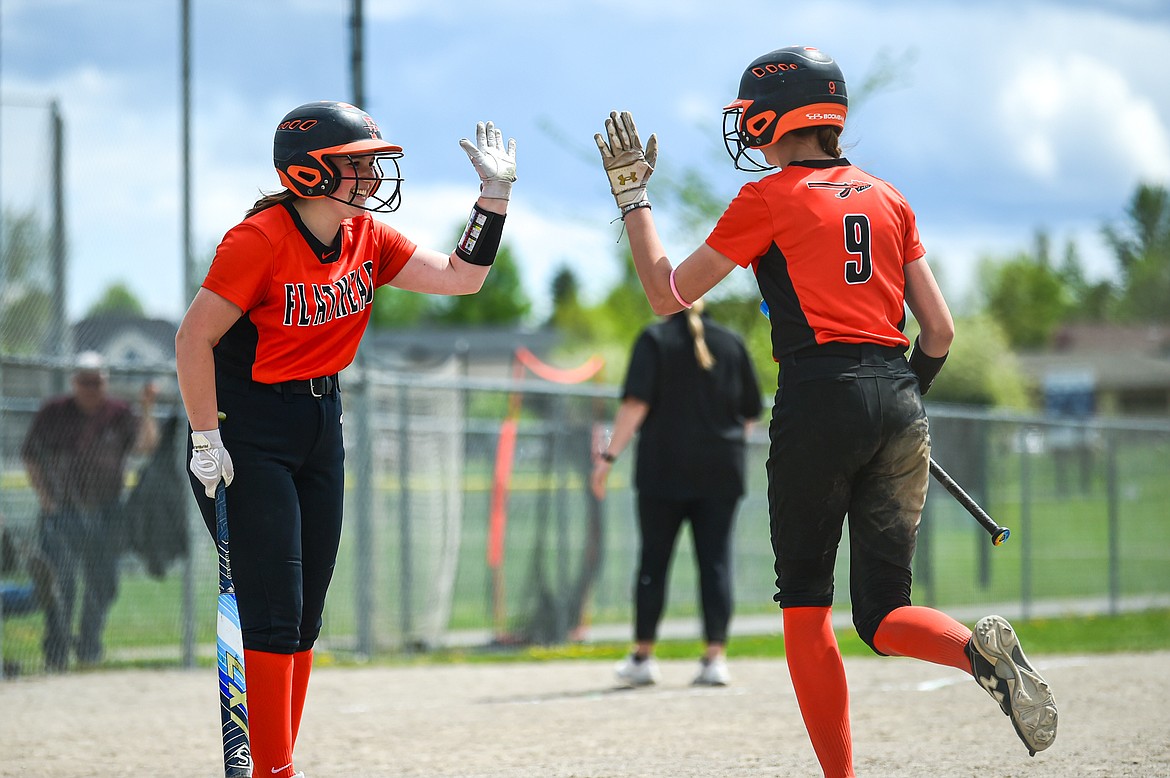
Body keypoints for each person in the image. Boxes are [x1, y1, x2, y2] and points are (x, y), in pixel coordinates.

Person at [592, 46, 1057, 775]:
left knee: (807, 608)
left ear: (778, 114)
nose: (744, 122)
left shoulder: (769, 198)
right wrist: (899, 406)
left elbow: (666, 294)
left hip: (817, 397)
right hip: (898, 395)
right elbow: (938, 331)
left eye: (750, 108)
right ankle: (974, 651)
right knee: (882, 612)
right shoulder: (889, 196)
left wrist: (632, 199)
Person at [175, 101, 515, 778]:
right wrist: (206, 437)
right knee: (273, 614)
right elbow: (193, 338)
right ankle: (277, 771)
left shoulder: (367, 235)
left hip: (320, 423)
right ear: (307, 172)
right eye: (354, 164)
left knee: (303, 618)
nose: (369, 176)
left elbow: (462, 278)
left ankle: (276, 761)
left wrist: (493, 198)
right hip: (248, 431)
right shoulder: (259, 239)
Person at [591, 299, 761, 687]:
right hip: (721, 472)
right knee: (716, 563)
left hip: (663, 470)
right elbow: (750, 411)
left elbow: (636, 403)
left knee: (654, 561)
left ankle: (643, 657)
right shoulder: (732, 343)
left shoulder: (655, 339)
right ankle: (714, 659)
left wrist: (607, 456)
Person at [21, 351, 159, 670]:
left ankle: (88, 648)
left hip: (107, 511)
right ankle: (56, 652)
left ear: (105, 382)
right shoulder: (54, 413)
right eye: (85, 382)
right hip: (63, 511)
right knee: (59, 582)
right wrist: (45, 498)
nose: (91, 389)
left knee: (103, 582)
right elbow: (30, 455)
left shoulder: (118, 413)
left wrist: (147, 407)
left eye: (97, 382)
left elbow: (145, 445)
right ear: (74, 383)